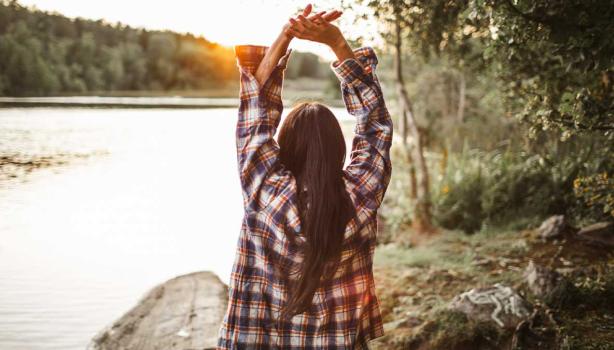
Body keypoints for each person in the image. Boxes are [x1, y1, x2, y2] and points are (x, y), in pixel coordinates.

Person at [217, 4, 393, 349]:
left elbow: (257, 110)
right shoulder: (361, 194)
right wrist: (338, 43)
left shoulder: (266, 188)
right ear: (337, 149)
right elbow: (375, 126)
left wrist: (286, 34)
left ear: (286, 147)